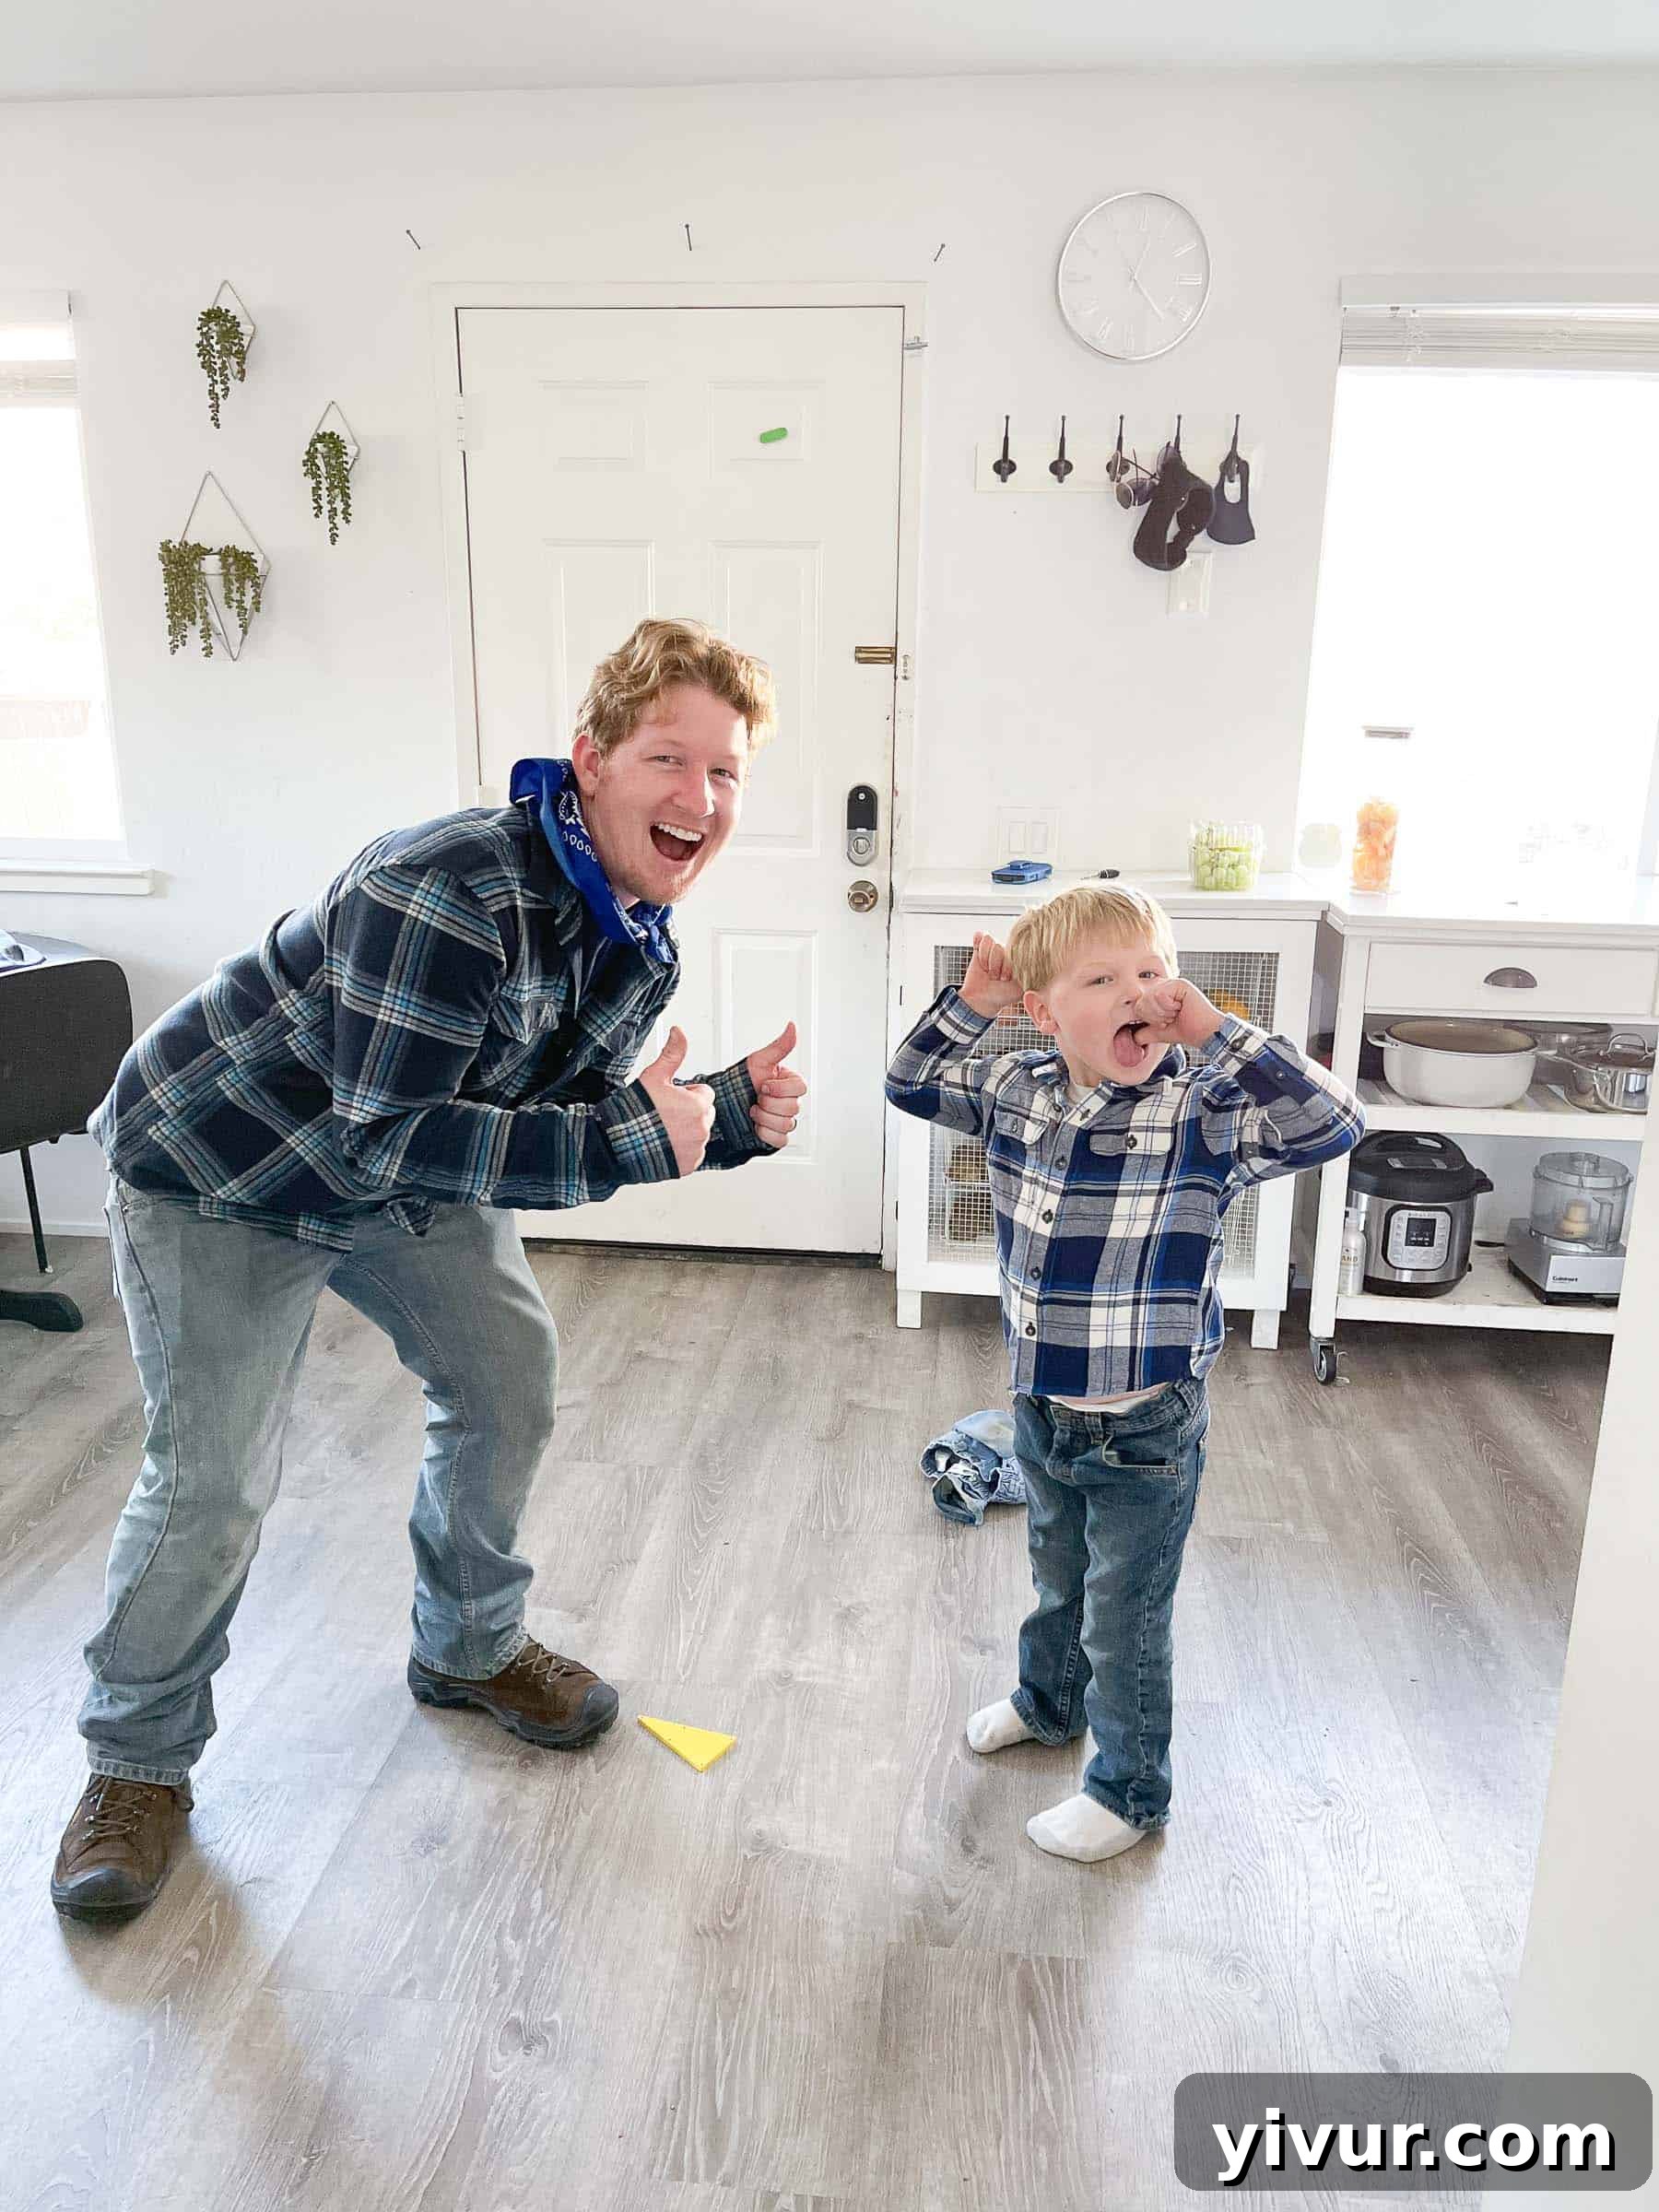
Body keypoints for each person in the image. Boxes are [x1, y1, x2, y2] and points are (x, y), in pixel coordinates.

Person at [52, 617, 806, 1923]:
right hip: (221, 1172)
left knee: (507, 1380)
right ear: (590, 761)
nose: (701, 797)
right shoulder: (444, 887)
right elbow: (391, 1130)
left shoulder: (636, 934)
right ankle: (135, 1764)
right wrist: (633, 1137)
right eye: (669, 759)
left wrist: (717, 1119)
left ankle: (467, 1647)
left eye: (726, 771)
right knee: (214, 1480)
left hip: (390, 1176)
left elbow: (530, 1117)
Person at [886, 883, 1362, 1863]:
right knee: (1056, 1576)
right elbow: (910, 1081)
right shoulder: (1016, 1089)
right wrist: (970, 1005)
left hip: (1148, 1423)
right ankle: (1048, 1704)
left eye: (1151, 972)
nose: (1137, 994)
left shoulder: (1206, 1108)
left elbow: (1332, 1123)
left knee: (1124, 1617)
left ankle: (1129, 1792)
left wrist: (1219, 1031)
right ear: (1044, 1011)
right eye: (1102, 980)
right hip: (1041, 1403)